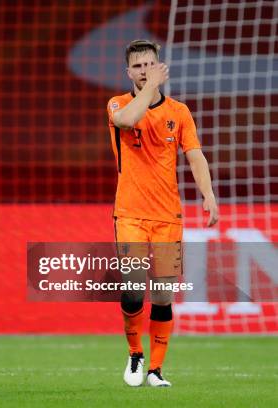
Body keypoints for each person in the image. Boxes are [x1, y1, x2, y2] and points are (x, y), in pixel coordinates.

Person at [107, 39, 218, 387]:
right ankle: (134, 354)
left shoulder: (179, 112)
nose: (144, 71)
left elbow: (195, 155)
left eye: (149, 65)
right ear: (129, 72)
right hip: (130, 215)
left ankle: (155, 369)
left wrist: (209, 194)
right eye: (137, 66)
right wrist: (151, 87)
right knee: (134, 289)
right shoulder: (117, 104)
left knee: (164, 294)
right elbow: (127, 120)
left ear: (160, 66)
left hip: (168, 216)